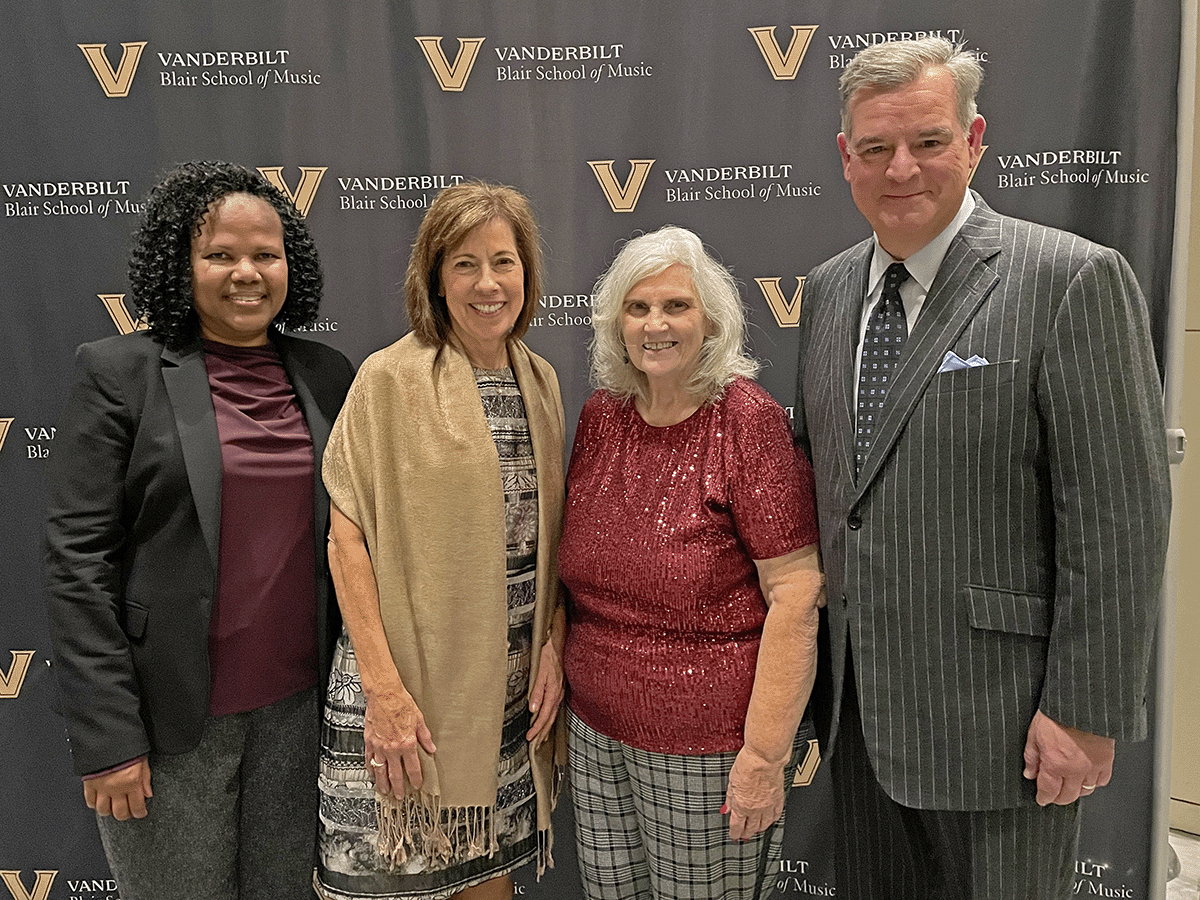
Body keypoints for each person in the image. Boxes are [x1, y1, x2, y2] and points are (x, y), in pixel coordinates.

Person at [793, 37, 1172, 898]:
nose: (901, 169)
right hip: (860, 720)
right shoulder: (827, 292)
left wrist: (1085, 710)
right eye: (876, 147)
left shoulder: (1069, 279)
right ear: (845, 157)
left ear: (973, 141)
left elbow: (1119, 516)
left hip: (1002, 726)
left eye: (927, 141)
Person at [43, 159, 356, 900]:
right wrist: (109, 738)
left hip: (298, 719)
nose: (246, 273)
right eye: (219, 254)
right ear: (179, 265)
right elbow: (77, 562)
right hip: (167, 727)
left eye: (265, 254)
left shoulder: (327, 375)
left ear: (291, 266)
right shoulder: (119, 372)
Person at [315, 182, 565, 900]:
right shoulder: (388, 380)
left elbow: (554, 542)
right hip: (405, 702)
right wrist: (385, 692)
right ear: (435, 278)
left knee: (487, 883)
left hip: (506, 705)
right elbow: (346, 541)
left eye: (504, 262)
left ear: (526, 273)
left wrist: (554, 639)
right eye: (464, 264)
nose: (488, 283)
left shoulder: (541, 381)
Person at [558, 225, 825, 900]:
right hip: (593, 736)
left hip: (710, 748)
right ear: (616, 323)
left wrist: (764, 756)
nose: (656, 325)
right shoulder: (602, 416)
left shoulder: (745, 421)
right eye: (638, 308)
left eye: (676, 306)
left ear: (710, 320)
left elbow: (796, 591)